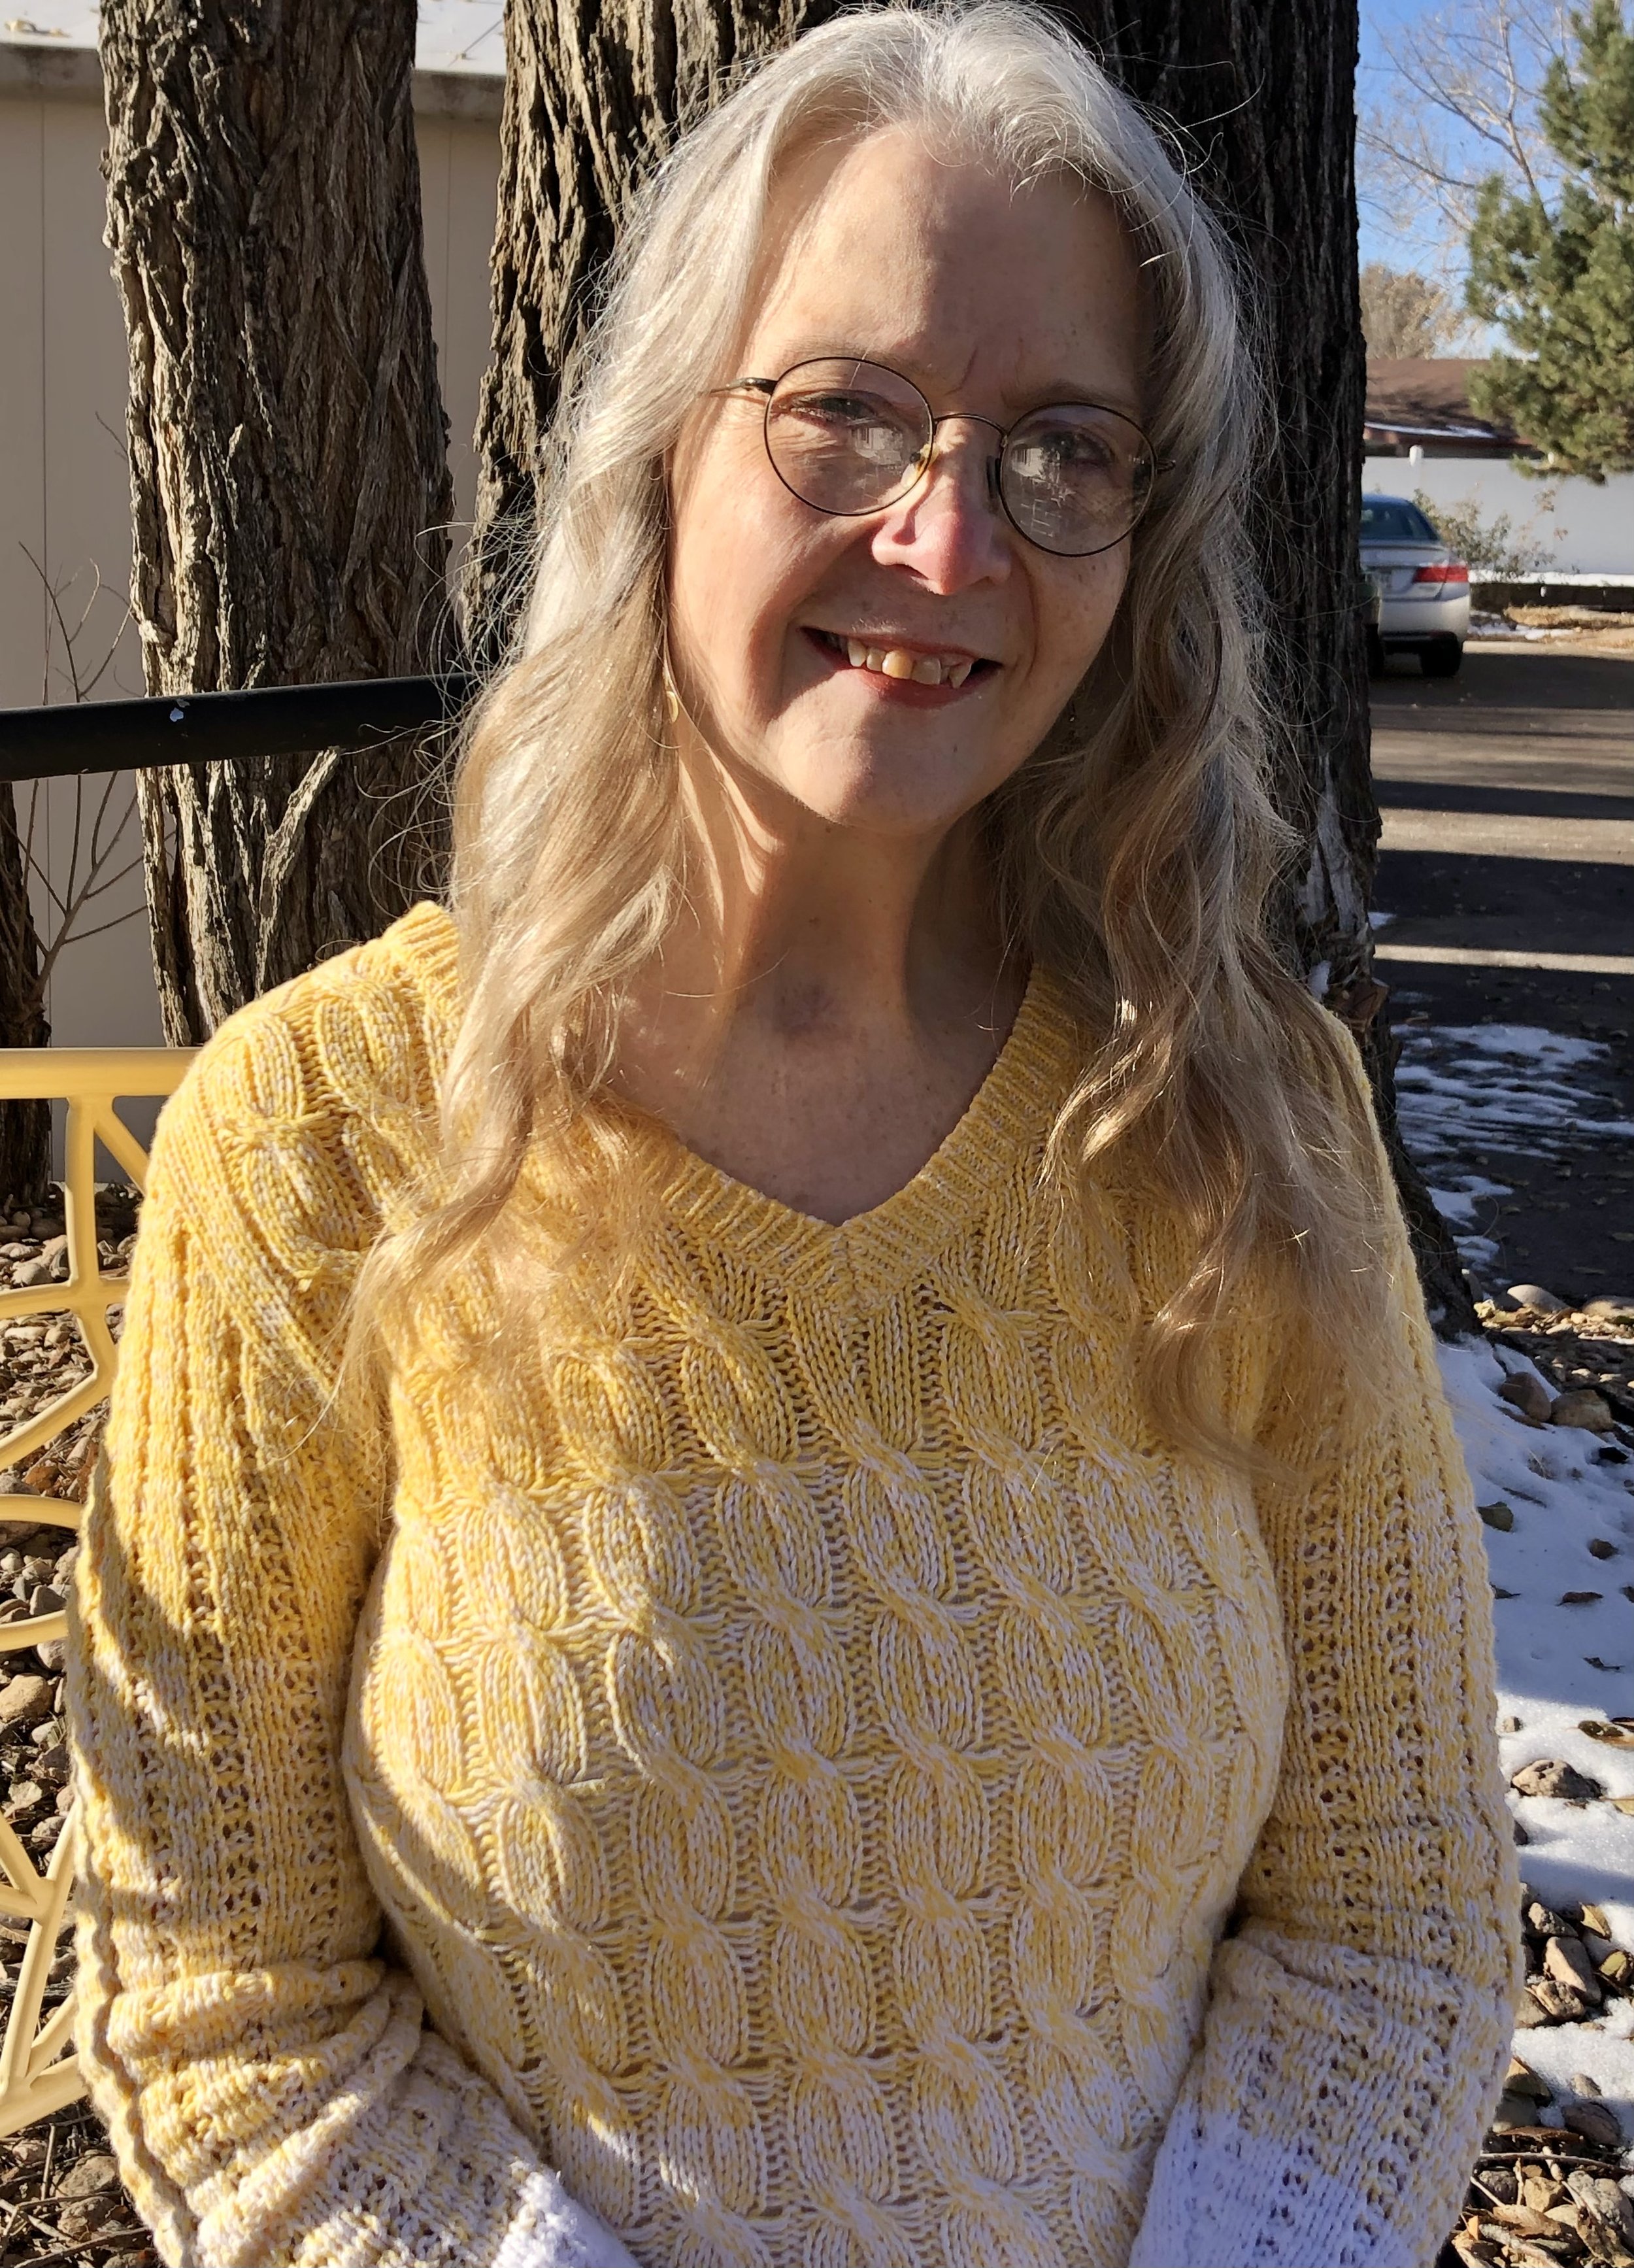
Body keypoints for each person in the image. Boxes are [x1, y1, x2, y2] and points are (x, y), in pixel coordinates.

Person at [66, 7, 1520, 2264]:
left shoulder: (1241, 1119)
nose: (947, 541)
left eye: (1062, 451)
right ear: (661, 446)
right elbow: (219, 2003)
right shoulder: (328, 1139)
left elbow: (1395, 1924)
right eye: (847, 412)